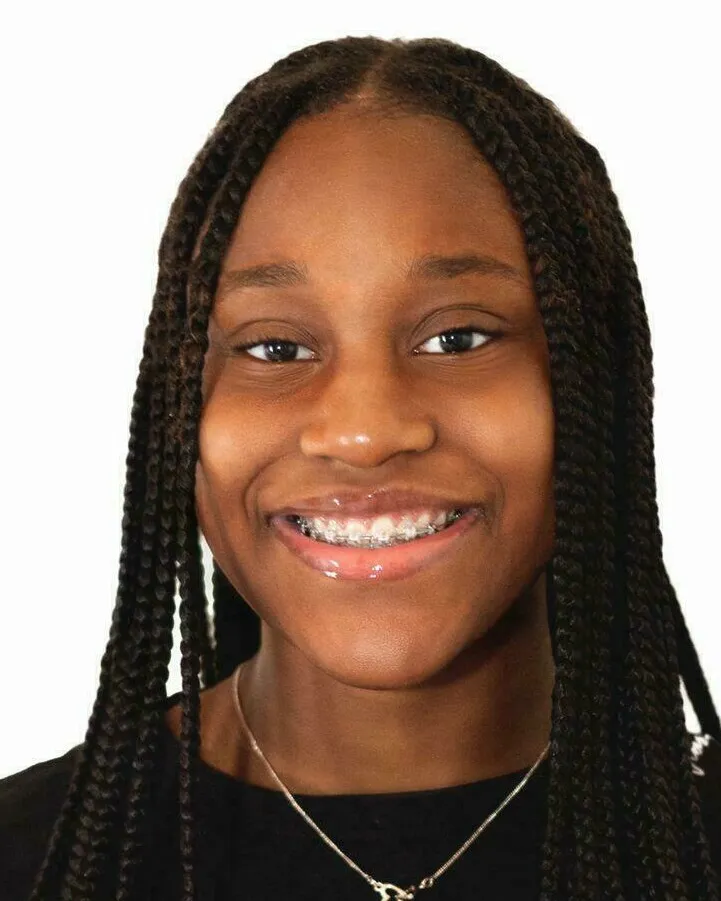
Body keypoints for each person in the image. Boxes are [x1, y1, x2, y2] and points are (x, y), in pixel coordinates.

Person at [1, 34, 719, 901]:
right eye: (275, 346)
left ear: (592, 379)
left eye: (458, 337)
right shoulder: (38, 858)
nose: (364, 432)